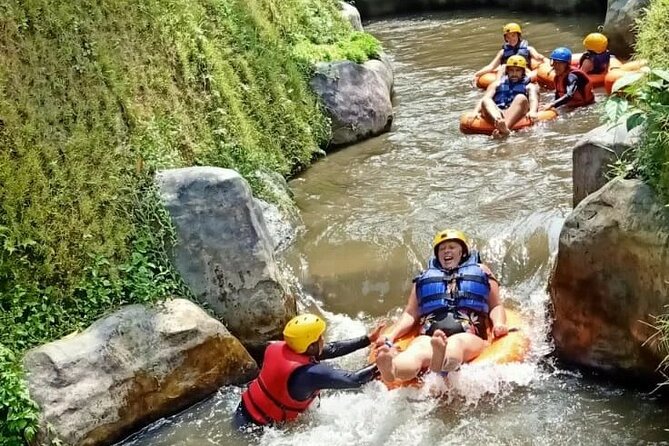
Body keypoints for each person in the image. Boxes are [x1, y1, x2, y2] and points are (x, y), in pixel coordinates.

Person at [374, 229, 508, 383]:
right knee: (416, 351)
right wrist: (391, 336)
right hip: (429, 336)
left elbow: (496, 305)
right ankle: (391, 369)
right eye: (442, 249)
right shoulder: (424, 277)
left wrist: (499, 324)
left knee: (456, 345)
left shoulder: (481, 271)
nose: (446, 251)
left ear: (462, 252)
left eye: (451, 247)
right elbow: (410, 313)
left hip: (468, 334)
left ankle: (438, 361)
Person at [235, 314, 384, 429]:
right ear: (311, 346)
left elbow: (331, 349)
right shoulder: (310, 374)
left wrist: (368, 339)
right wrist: (384, 361)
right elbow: (354, 380)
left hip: (244, 408)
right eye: (319, 337)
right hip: (258, 427)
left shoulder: (277, 346)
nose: (323, 339)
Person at [474, 55, 539, 138]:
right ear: (507, 71)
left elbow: (533, 99)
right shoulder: (496, 84)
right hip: (498, 113)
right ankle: (501, 126)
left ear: (523, 72)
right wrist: (475, 112)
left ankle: (504, 129)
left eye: (518, 70)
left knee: (521, 97)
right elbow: (485, 98)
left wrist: (533, 111)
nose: (514, 73)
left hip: (516, 112)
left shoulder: (529, 86)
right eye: (511, 70)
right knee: (486, 100)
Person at [473, 22, 547, 82]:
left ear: (518, 36)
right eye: (508, 37)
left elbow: (538, 57)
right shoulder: (502, 52)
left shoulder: (528, 49)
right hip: (508, 76)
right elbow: (491, 66)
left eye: (513, 36)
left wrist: (547, 62)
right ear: (505, 38)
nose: (511, 39)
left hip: (524, 75)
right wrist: (476, 75)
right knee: (503, 66)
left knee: (523, 68)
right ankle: (500, 85)